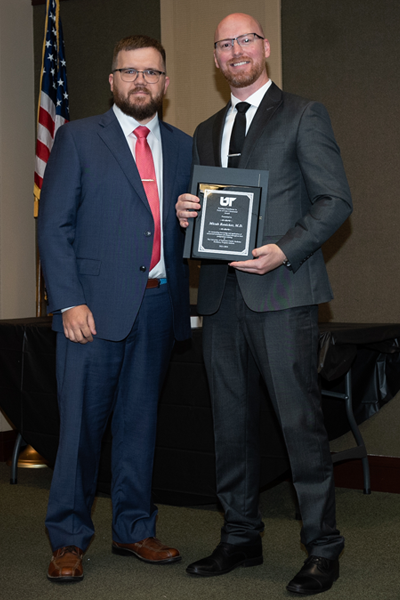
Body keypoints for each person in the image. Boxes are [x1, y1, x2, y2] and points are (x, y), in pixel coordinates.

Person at [176, 13, 352, 595]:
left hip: (283, 294)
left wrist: (285, 250)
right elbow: (211, 206)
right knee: (229, 426)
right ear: (217, 58)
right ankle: (240, 537)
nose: (235, 51)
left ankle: (322, 547)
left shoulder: (303, 113)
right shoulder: (204, 129)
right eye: (224, 44)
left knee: (300, 425)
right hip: (222, 298)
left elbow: (334, 200)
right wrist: (188, 216)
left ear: (265, 47)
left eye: (244, 40)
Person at [38, 34, 192, 583]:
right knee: (80, 429)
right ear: (112, 81)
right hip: (92, 313)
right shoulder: (79, 139)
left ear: (165, 84)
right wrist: (70, 301)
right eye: (130, 72)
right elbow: (53, 226)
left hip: (156, 307)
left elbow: (174, 224)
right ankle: (69, 538)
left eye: (151, 73)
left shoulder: (181, 145)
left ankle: (133, 529)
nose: (140, 82)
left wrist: (190, 217)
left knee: (138, 427)